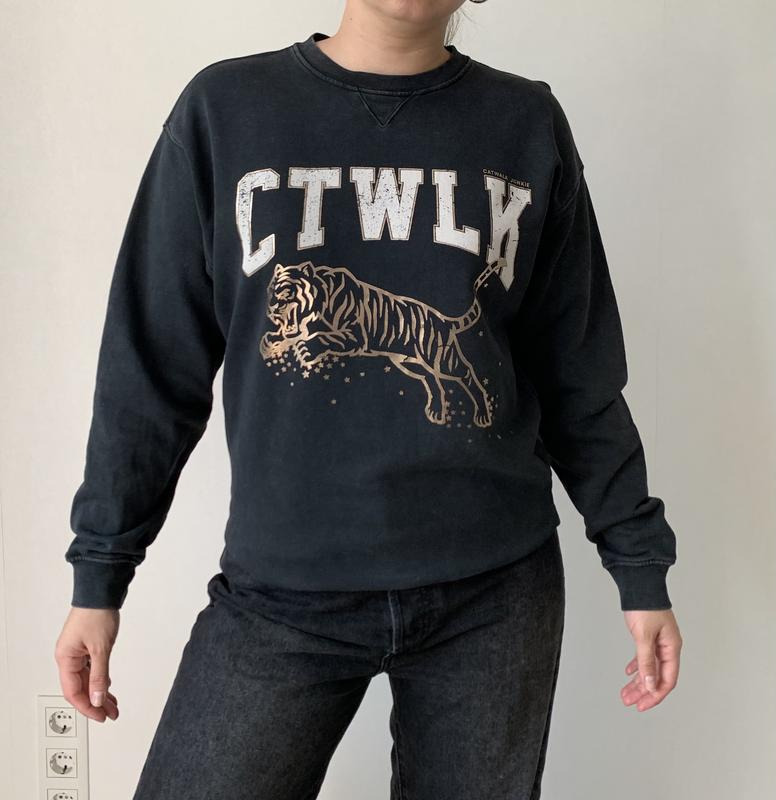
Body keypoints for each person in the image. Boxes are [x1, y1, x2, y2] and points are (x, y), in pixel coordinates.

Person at [54, 1, 683, 797]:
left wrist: (638, 560)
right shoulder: (226, 109)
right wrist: (100, 570)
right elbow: (150, 366)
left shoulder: (525, 122)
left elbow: (577, 372)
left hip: (494, 592)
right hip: (282, 594)